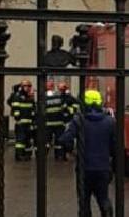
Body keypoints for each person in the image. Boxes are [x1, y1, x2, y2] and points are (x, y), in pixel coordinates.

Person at [59, 89, 115, 217]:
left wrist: (70, 150)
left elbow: (64, 139)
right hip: (103, 168)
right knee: (103, 199)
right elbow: (115, 147)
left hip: (84, 169)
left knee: (84, 203)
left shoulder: (79, 120)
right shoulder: (109, 122)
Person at [8, 80, 36, 161]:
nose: (27, 88)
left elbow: (33, 109)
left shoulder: (30, 96)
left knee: (28, 140)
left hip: (29, 122)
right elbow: (16, 108)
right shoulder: (17, 96)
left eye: (29, 86)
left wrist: (33, 121)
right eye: (25, 86)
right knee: (20, 140)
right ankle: (19, 155)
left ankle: (27, 155)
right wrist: (17, 118)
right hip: (21, 123)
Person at [44, 80, 71, 160]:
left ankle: (44, 156)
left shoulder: (43, 96)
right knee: (57, 141)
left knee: (48, 141)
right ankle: (59, 155)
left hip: (49, 123)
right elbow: (65, 105)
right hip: (57, 123)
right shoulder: (59, 95)